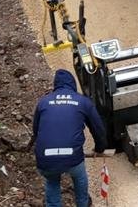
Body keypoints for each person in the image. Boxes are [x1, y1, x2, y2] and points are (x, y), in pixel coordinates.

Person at [32, 69, 107, 207]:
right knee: (79, 177)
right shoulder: (83, 102)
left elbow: (36, 131)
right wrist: (100, 148)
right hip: (72, 157)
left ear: (56, 85)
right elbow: (98, 129)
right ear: (73, 84)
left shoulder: (43, 102)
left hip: (46, 158)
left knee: (52, 181)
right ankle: (83, 204)